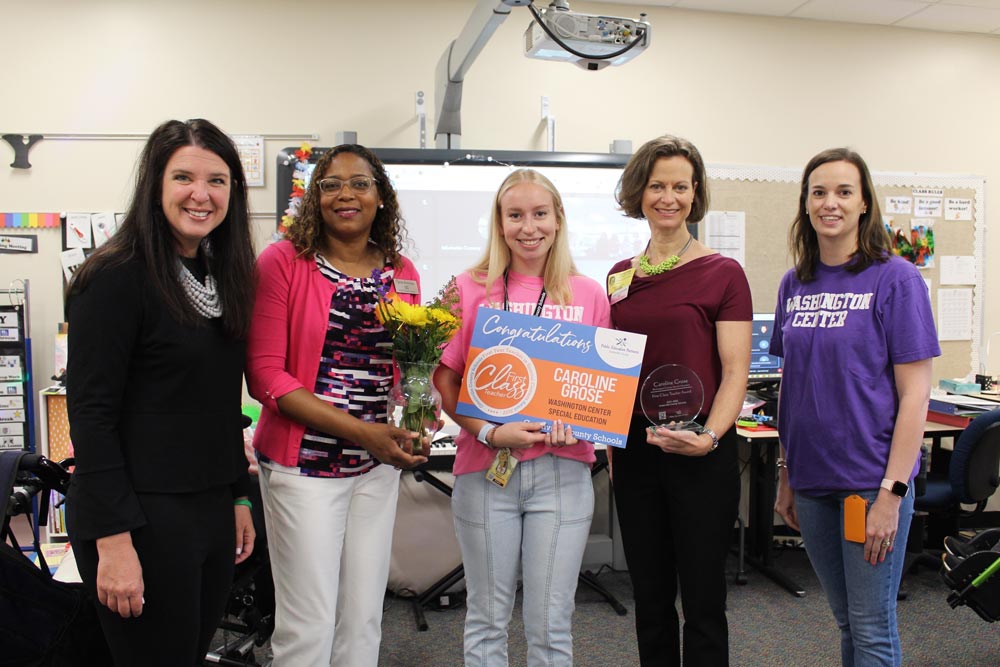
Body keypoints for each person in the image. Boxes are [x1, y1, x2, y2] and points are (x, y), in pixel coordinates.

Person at [65, 118, 257, 666]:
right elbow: (91, 415)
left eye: (217, 181)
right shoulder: (115, 276)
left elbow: (220, 404)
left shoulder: (221, 275)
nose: (201, 194)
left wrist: (237, 495)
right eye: (184, 178)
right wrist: (113, 539)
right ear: (155, 185)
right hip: (139, 515)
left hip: (209, 506)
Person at [245, 144, 426, 667]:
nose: (346, 194)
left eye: (360, 183)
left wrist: (417, 407)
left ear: (380, 195)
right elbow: (265, 376)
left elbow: (401, 366)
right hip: (305, 467)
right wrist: (362, 432)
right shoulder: (283, 261)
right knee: (309, 625)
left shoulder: (402, 271)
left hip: (375, 468)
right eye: (331, 185)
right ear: (315, 197)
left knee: (363, 618)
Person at [435, 168, 610, 666]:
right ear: (500, 222)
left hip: (564, 473)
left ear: (558, 220)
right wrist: (491, 432)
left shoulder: (588, 294)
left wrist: (582, 420)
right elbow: (445, 381)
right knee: (487, 617)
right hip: (485, 471)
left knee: (551, 623)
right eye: (515, 215)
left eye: (539, 214)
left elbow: (601, 390)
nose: (528, 227)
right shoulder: (467, 288)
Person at [771, 148, 939, 667]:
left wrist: (892, 493)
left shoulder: (896, 279)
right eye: (819, 192)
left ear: (864, 203)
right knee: (847, 621)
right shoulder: (794, 283)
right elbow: (792, 385)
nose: (831, 203)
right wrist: (786, 474)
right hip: (813, 482)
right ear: (805, 203)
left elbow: (916, 395)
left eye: (844, 192)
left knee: (871, 628)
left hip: (869, 485)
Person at [607, 135, 751, 667]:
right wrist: (610, 444)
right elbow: (614, 367)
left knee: (704, 600)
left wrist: (709, 437)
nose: (668, 197)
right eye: (656, 185)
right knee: (649, 597)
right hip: (635, 448)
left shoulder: (723, 273)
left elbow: (735, 371)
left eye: (680, 187)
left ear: (695, 194)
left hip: (701, 446)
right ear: (639, 193)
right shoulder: (619, 275)